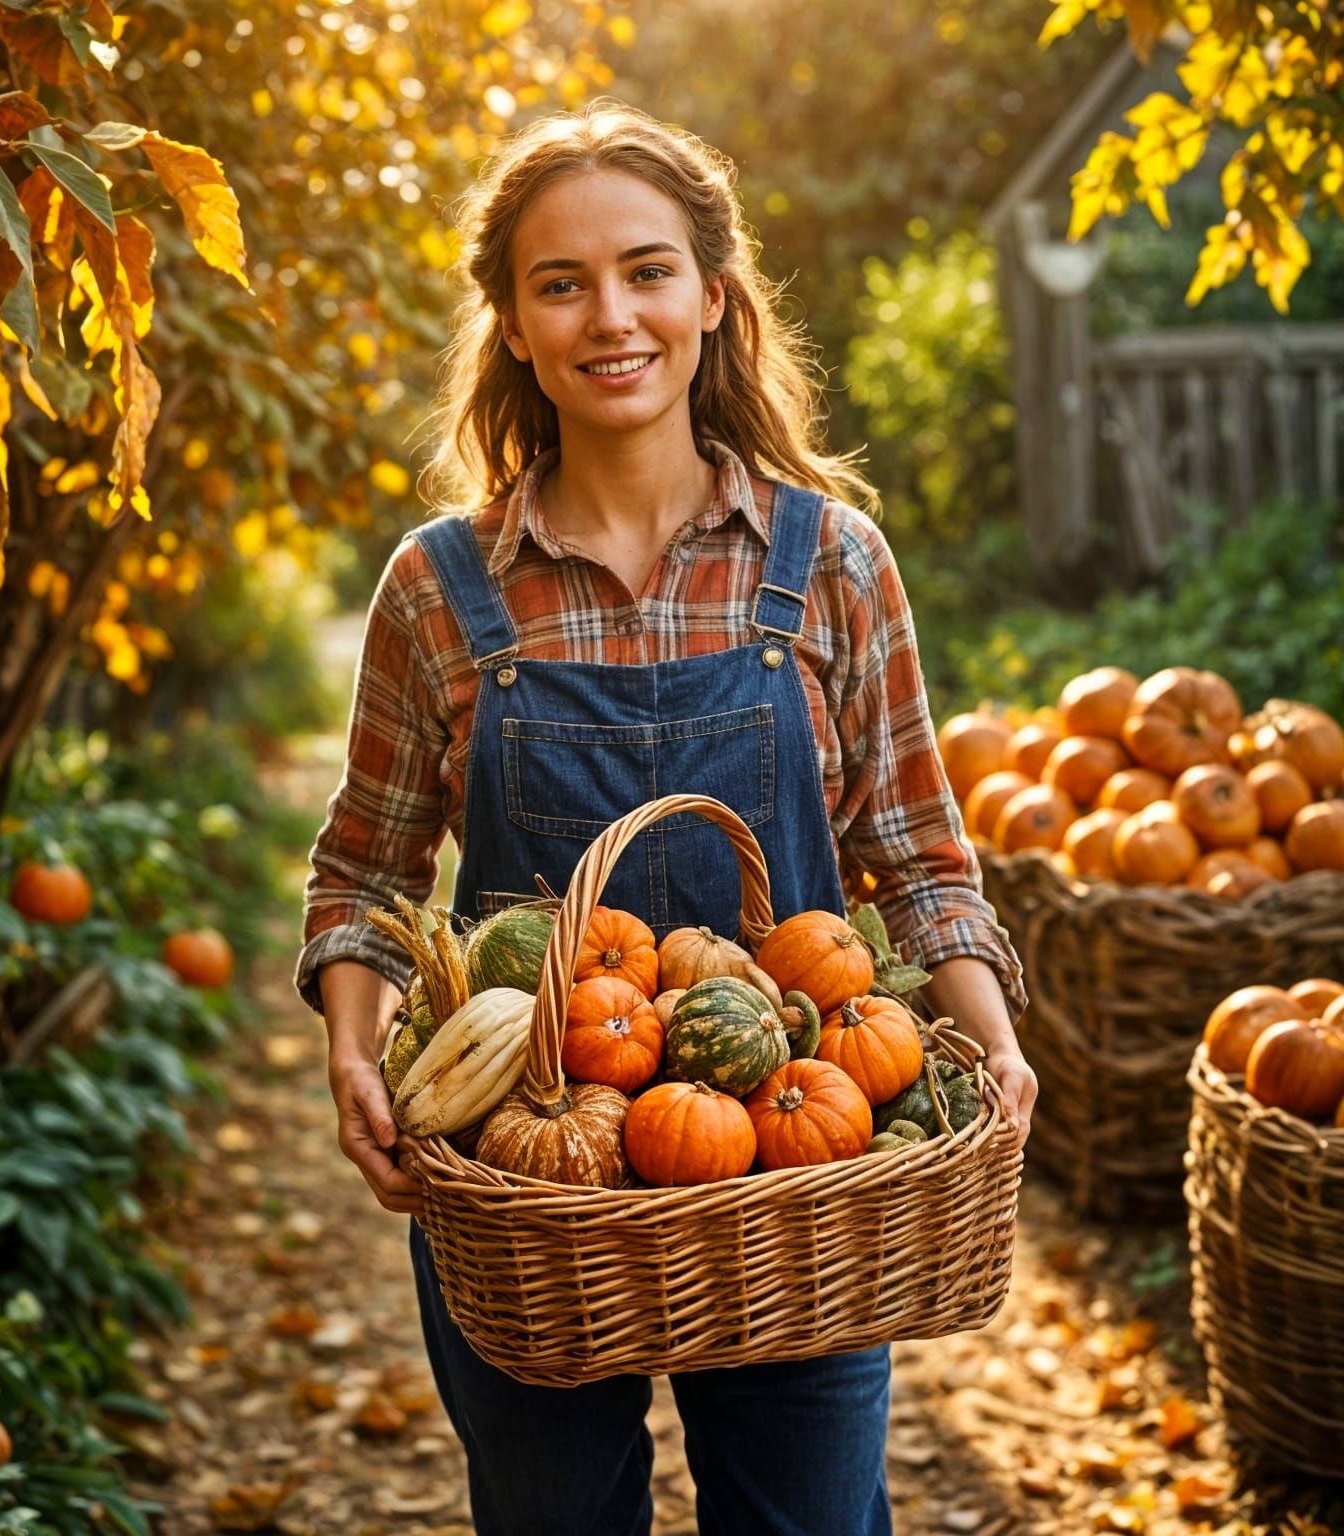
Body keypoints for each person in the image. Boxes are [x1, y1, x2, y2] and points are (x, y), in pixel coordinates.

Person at [297, 100, 1037, 1536]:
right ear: (512, 322)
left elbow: (919, 848)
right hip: (534, 1167)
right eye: (559, 283)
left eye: (646, 271)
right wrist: (351, 1054)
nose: (609, 316)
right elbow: (362, 870)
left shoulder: (829, 565)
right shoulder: (443, 590)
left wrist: (990, 1038)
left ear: (713, 292)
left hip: (798, 1158)